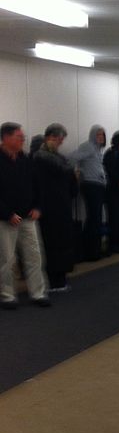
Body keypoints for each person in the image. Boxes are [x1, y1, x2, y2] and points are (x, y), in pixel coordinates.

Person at [0, 122, 50, 308]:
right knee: (6, 260)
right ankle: (8, 295)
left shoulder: (26, 160)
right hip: (5, 220)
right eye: (18, 137)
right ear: (5, 138)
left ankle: (38, 293)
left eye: (23, 137)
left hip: (28, 217)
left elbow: (38, 187)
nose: (22, 140)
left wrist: (38, 207)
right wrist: (7, 214)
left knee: (35, 256)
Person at [33, 123, 78, 292]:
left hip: (61, 205)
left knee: (62, 243)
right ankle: (53, 280)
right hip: (49, 207)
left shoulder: (57, 158)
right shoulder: (40, 157)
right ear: (49, 137)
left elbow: (67, 175)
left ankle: (60, 277)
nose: (60, 142)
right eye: (58, 139)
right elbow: (65, 173)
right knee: (52, 244)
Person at [70, 124, 107, 261]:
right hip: (91, 186)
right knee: (94, 219)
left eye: (103, 134)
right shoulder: (88, 146)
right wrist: (76, 172)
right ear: (93, 135)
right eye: (98, 134)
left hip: (98, 186)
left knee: (96, 219)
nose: (101, 137)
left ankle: (94, 250)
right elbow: (72, 157)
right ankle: (90, 252)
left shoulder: (97, 150)